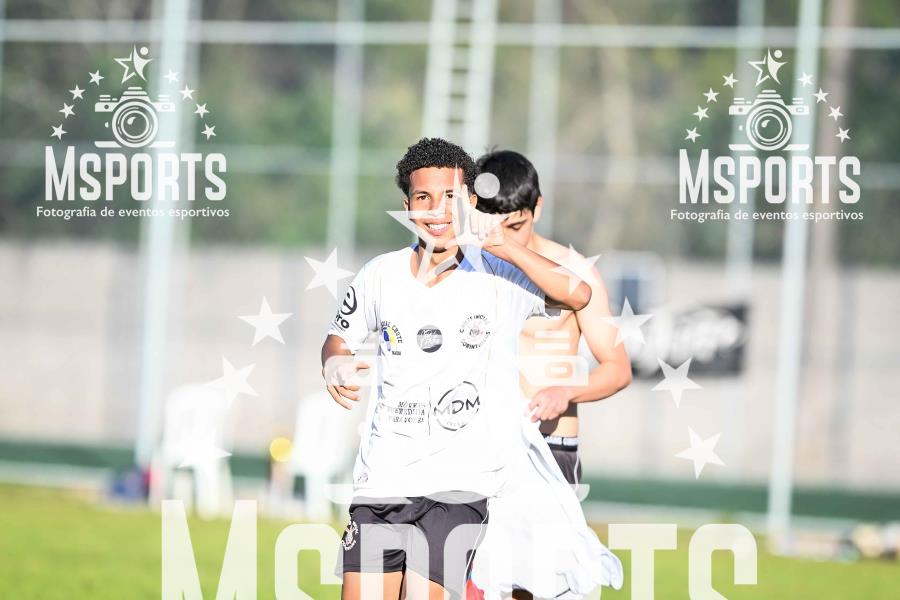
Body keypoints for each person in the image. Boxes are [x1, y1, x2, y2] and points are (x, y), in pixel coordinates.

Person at [321, 137, 592, 600]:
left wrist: (505, 245)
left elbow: (577, 294)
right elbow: (337, 338)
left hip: (457, 488)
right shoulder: (379, 275)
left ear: (470, 201)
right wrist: (336, 364)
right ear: (407, 206)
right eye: (423, 197)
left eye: (450, 196)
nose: (437, 210)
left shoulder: (497, 274)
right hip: (383, 480)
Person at [468, 149, 632, 599]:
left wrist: (566, 391)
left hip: (550, 447)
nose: (505, 240)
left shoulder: (575, 274)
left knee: (544, 587)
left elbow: (618, 368)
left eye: (515, 226)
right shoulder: (468, 269)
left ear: (537, 208)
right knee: (476, 582)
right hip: (486, 447)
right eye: (494, 227)